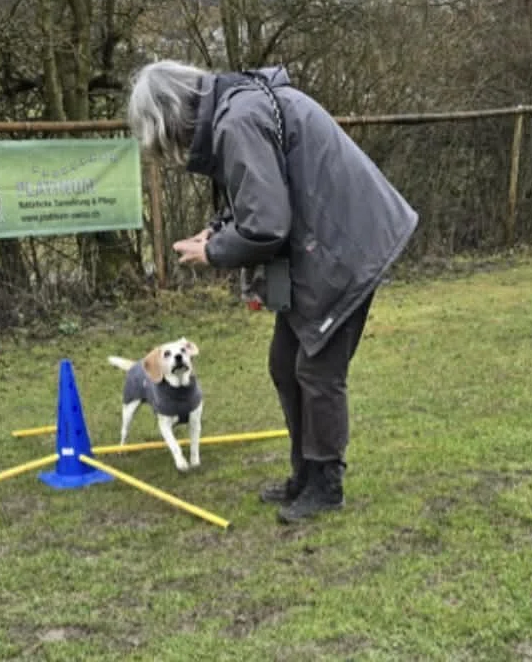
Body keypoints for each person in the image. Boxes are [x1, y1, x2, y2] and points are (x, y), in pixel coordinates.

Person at [126, 60, 418, 523]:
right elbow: (262, 194)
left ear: (171, 119)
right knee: (285, 364)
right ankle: (304, 473)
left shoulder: (237, 121)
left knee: (317, 370)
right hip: (323, 240)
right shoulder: (235, 109)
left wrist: (215, 252)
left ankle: (326, 484)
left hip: (345, 245)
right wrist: (216, 231)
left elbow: (266, 226)